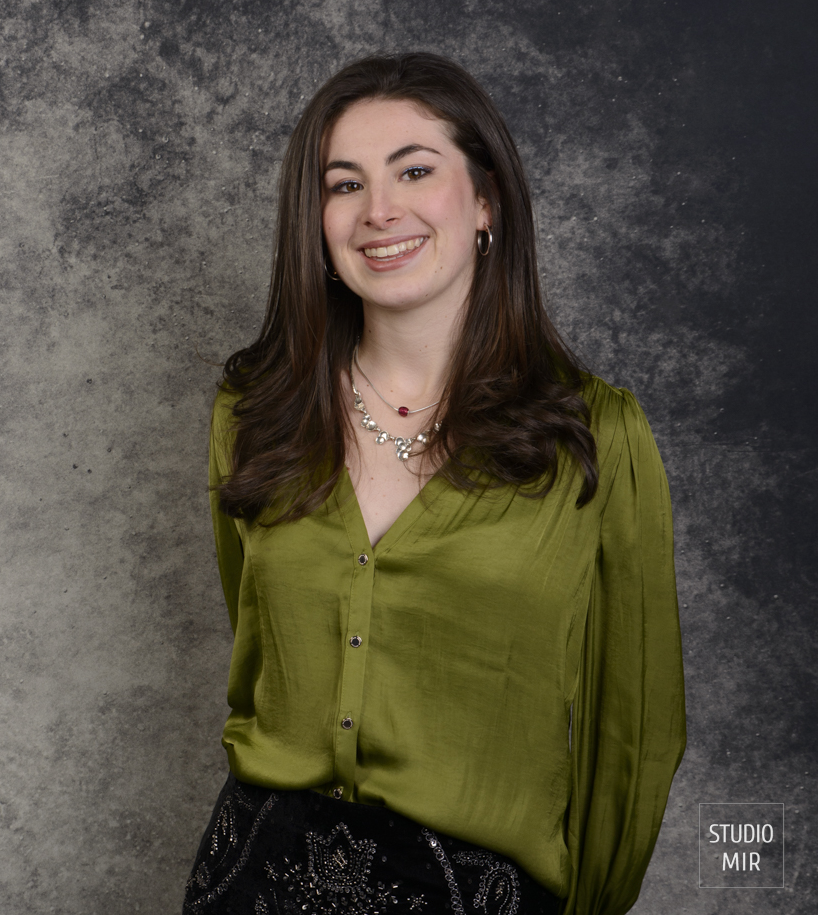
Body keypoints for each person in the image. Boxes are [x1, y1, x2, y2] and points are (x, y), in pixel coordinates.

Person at [183, 52, 686, 915]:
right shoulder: (251, 415)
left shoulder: (595, 436)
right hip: (248, 882)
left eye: (415, 169)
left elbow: (634, 734)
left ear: (486, 200)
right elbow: (260, 647)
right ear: (316, 222)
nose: (379, 210)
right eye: (343, 185)